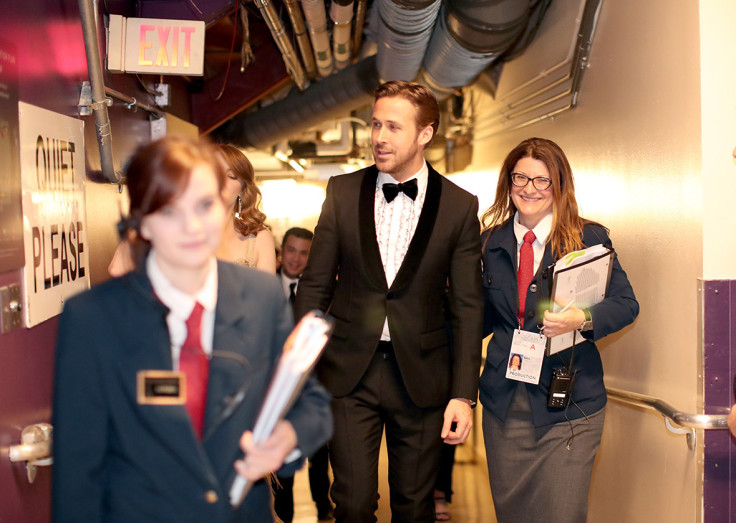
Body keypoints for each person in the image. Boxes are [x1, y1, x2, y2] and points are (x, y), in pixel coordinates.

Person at [52, 136, 332, 522]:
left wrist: (288, 438)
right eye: (170, 211)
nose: (192, 226)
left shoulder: (261, 295)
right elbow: (77, 469)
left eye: (204, 205)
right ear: (141, 220)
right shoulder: (93, 318)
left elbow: (311, 403)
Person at [295, 80, 483, 522]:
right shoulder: (341, 192)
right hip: (347, 373)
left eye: (393, 127)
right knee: (354, 503)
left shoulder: (459, 206)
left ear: (425, 133)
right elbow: (315, 286)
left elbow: (468, 307)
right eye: (376, 124)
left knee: (414, 507)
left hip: (422, 378)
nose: (379, 136)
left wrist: (463, 395)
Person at [479, 137, 639, 522]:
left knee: (563, 513)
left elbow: (625, 304)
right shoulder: (488, 244)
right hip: (506, 406)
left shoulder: (588, 239)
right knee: (513, 514)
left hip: (570, 406)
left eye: (541, 180)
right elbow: (473, 322)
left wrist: (581, 320)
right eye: (520, 178)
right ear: (508, 181)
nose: (528, 189)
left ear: (559, 185)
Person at [272, 227, 334, 522]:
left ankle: (323, 507)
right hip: (274, 390)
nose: (296, 259)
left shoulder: (325, 292)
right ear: (281, 251)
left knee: (319, 454)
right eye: (291, 250)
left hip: (314, 383)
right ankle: (284, 514)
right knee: (280, 455)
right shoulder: (265, 287)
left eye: (304, 253)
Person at [215, 144, 277, 272]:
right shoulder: (185, 232)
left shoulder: (259, 239)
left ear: (242, 190)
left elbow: (266, 291)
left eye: (231, 176)